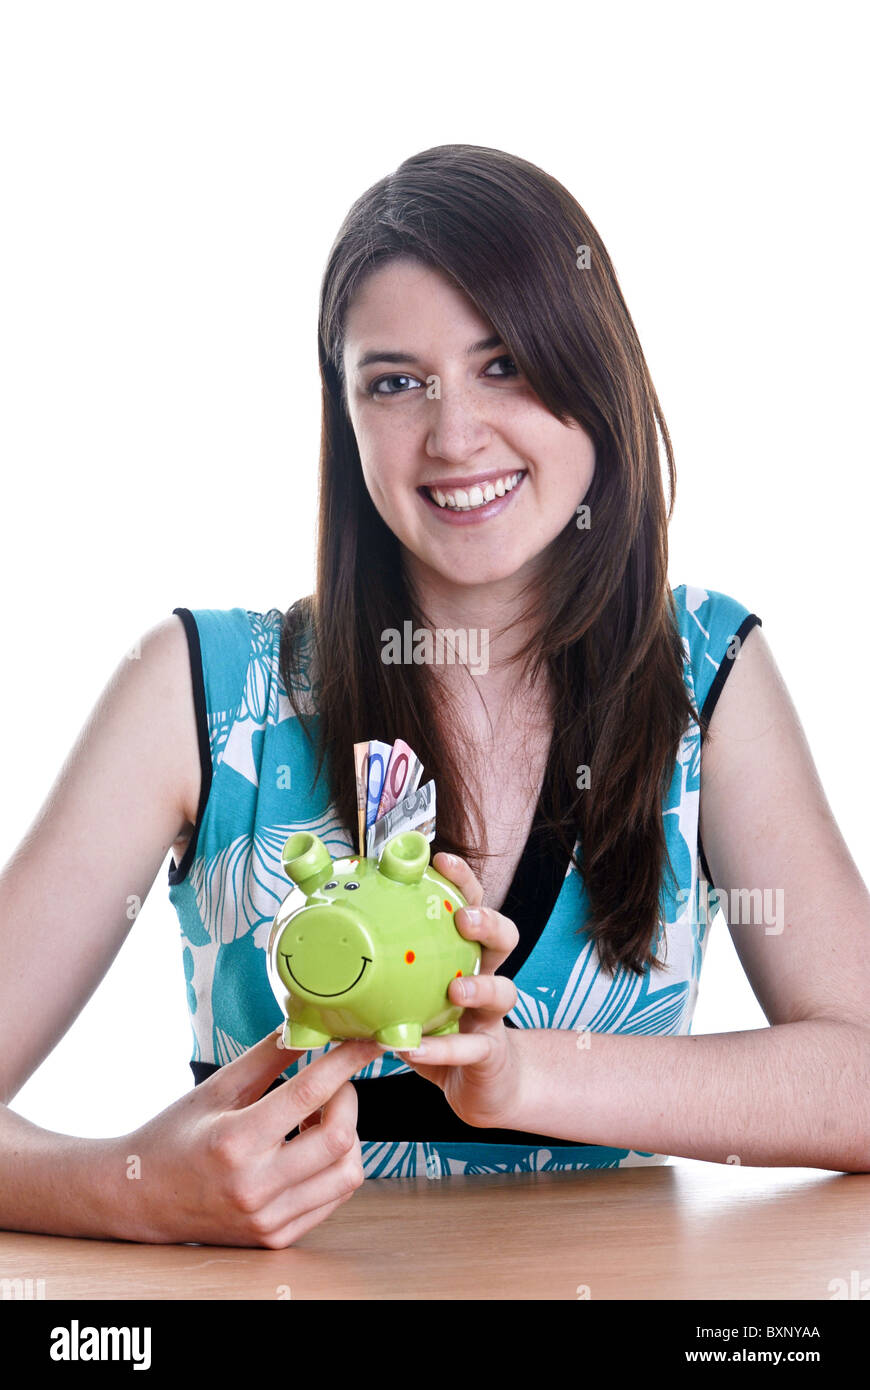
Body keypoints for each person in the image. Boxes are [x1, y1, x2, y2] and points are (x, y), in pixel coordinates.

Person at [2, 145, 868, 1251]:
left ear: (594, 377)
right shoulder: (200, 687)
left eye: (503, 363)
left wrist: (522, 1075)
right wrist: (131, 1190)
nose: (455, 435)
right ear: (346, 413)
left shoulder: (703, 668)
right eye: (396, 382)